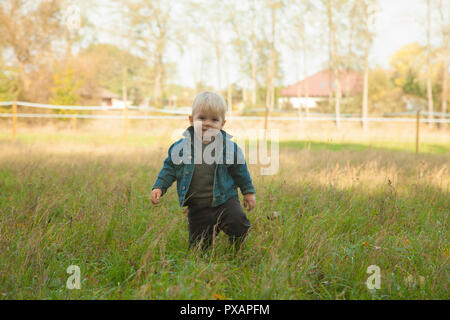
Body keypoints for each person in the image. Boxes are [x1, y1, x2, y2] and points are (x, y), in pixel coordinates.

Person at [150, 91, 256, 251]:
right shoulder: (181, 147)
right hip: (197, 205)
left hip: (225, 200)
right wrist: (159, 186)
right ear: (191, 120)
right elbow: (170, 168)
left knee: (237, 222)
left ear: (223, 123)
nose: (207, 123)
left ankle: (237, 247)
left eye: (214, 119)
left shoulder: (228, 148)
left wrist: (248, 192)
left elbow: (240, 171)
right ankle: (204, 246)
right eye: (201, 118)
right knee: (199, 248)